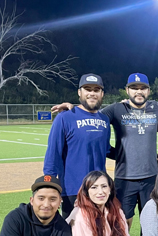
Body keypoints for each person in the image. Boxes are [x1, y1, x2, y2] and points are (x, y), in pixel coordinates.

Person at [52, 73, 158, 230]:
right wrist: (72, 108)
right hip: (124, 177)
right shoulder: (116, 109)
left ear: (148, 91)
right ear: (127, 90)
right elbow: (90, 112)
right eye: (134, 88)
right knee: (121, 222)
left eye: (142, 88)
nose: (139, 91)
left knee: (152, 221)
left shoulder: (157, 107)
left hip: (151, 177)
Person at [44, 73, 110, 217]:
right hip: (72, 189)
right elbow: (53, 153)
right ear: (79, 92)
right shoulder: (65, 117)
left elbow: (106, 149)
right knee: (72, 230)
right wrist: (49, 185)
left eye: (96, 90)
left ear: (102, 94)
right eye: (88, 89)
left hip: (98, 190)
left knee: (98, 229)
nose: (92, 93)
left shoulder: (104, 120)